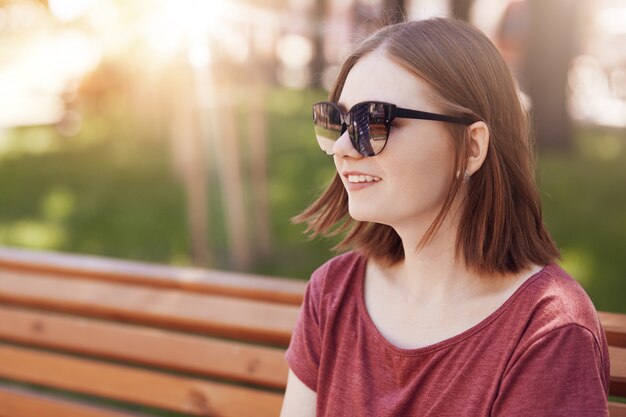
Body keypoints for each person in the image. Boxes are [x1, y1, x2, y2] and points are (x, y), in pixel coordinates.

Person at [279, 17, 609, 417]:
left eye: (374, 121)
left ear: (471, 147)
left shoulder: (547, 330)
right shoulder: (332, 293)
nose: (343, 148)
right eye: (339, 122)